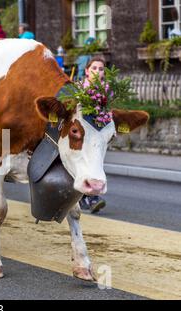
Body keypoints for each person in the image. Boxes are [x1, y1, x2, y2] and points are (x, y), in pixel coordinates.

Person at [78, 56, 107, 214]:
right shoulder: (81, 88)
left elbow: (108, 111)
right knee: (85, 166)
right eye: (94, 68)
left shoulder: (106, 89)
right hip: (82, 136)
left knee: (97, 166)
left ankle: (89, 198)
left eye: (101, 69)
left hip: (99, 136)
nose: (97, 71)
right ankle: (89, 198)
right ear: (87, 71)